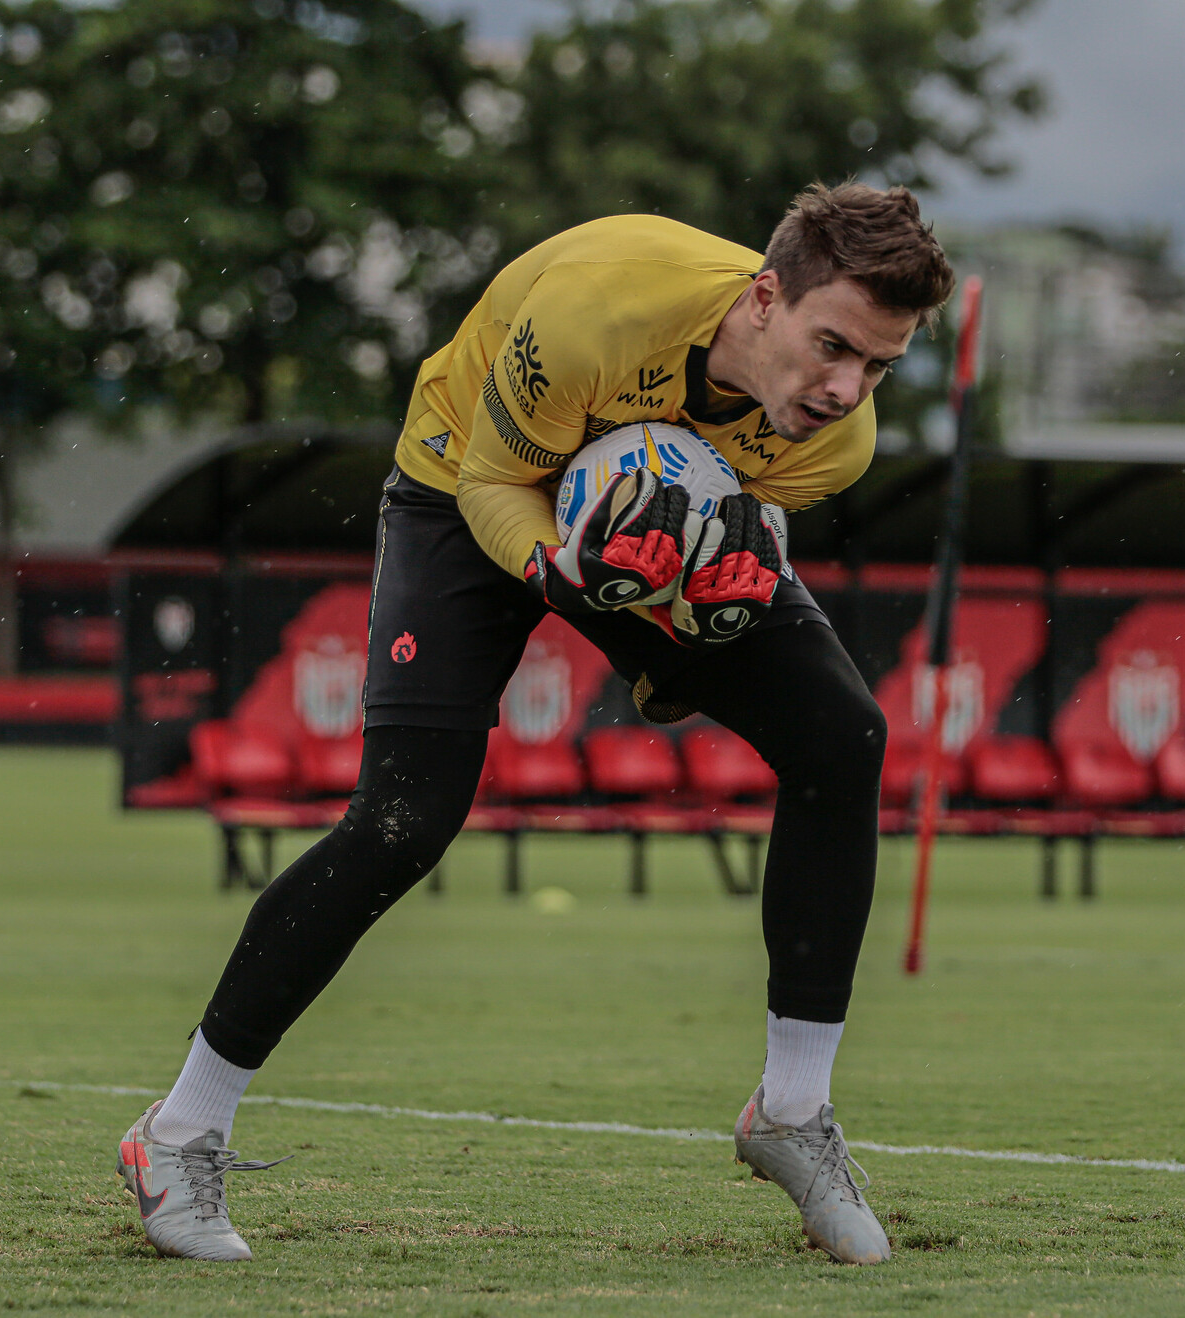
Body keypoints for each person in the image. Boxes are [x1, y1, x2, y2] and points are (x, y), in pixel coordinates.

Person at [116, 182, 955, 1265]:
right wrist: (574, 580)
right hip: (472, 493)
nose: (846, 387)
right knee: (402, 823)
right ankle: (176, 1132)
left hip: (643, 518)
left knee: (844, 740)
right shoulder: (597, 314)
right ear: (762, 299)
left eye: (879, 365)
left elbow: (705, 537)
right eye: (833, 344)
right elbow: (496, 485)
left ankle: (792, 1110)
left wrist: (689, 619)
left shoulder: (832, 444)